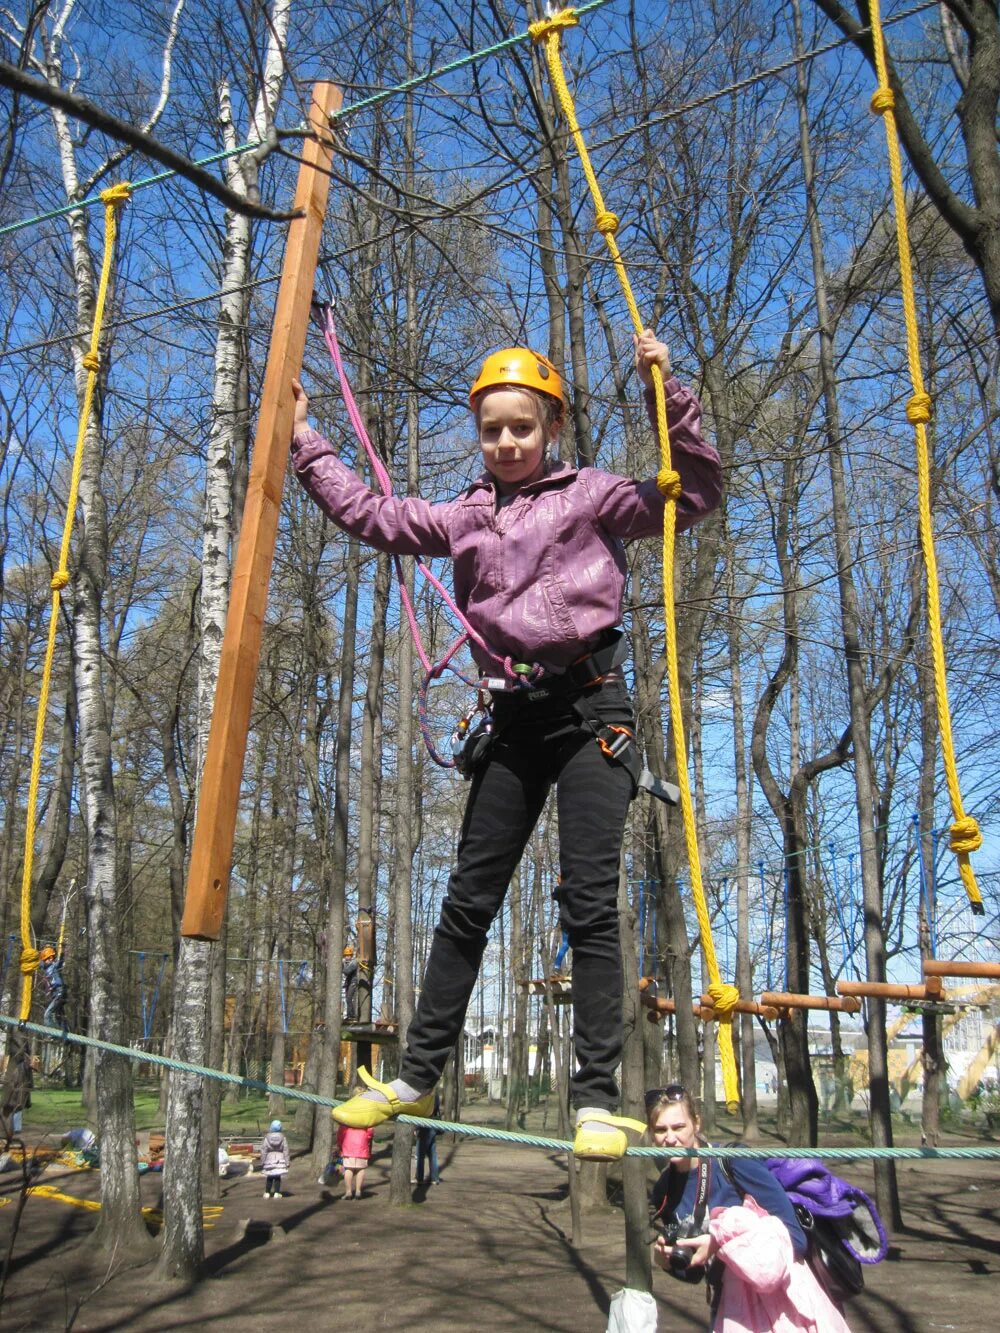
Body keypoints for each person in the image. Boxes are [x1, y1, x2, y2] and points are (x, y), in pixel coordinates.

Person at [291, 333, 722, 1159]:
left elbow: (691, 490)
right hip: (515, 717)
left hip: (595, 709)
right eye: (493, 430)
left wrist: (666, 392)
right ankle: (416, 1072)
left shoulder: (592, 496)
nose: (508, 443)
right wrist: (308, 441)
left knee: (589, 901)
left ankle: (595, 1099)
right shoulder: (465, 516)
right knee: (468, 899)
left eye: (523, 427)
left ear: (551, 426)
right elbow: (373, 515)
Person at [647, 1085, 852, 1330]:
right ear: (651, 1134)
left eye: (678, 1127)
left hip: (782, 1305)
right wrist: (668, 1263)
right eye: (660, 1130)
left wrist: (719, 1242)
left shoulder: (733, 1162)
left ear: (696, 1124)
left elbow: (796, 1239)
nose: (670, 1138)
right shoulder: (664, 1190)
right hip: (729, 1308)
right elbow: (696, 1272)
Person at [336, 1118, 375, 1199]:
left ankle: (348, 1192)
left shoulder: (347, 1117)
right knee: (360, 1169)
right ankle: (358, 1191)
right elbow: (370, 1132)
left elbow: (341, 1133)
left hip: (348, 1145)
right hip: (362, 1145)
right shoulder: (366, 1117)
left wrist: (340, 1145)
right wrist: (366, 1138)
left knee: (348, 1169)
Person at [415, 1091, 442, 1186]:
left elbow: (422, 1111)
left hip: (425, 1126)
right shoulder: (435, 1094)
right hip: (434, 1124)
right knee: (432, 1153)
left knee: (420, 1154)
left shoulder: (425, 1095)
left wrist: (417, 1127)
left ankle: (419, 1177)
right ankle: (434, 1178)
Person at [260, 1119, 290, 1199]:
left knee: (269, 1177)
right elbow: (285, 1150)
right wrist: (287, 1162)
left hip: (269, 1159)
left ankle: (267, 1192)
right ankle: (277, 1192)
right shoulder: (283, 1138)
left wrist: (262, 1161)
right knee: (277, 1177)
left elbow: (264, 1150)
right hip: (280, 1160)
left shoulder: (267, 1138)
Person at [38, 945, 67, 1028]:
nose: (50, 959)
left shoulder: (54, 966)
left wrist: (62, 953)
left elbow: (60, 962)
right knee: (59, 1015)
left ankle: (53, 1034)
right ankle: (65, 1036)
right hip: (55, 993)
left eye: (51, 958)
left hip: (59, 992)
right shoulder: (46, 969)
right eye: (47, 958)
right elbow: (40, 964)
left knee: (47, 1014)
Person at [343, 945, 359, 1021]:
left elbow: (347, 971)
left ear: (351, 956)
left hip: (353, 982)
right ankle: (349, 1014)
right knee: (347, 999)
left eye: (349, 955)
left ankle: (351, 1015)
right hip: (348, 983)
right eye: (346, 955)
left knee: (349, 998)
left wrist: (341, 965)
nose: (347, 957)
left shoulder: (354, 963)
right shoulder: (345, 963)